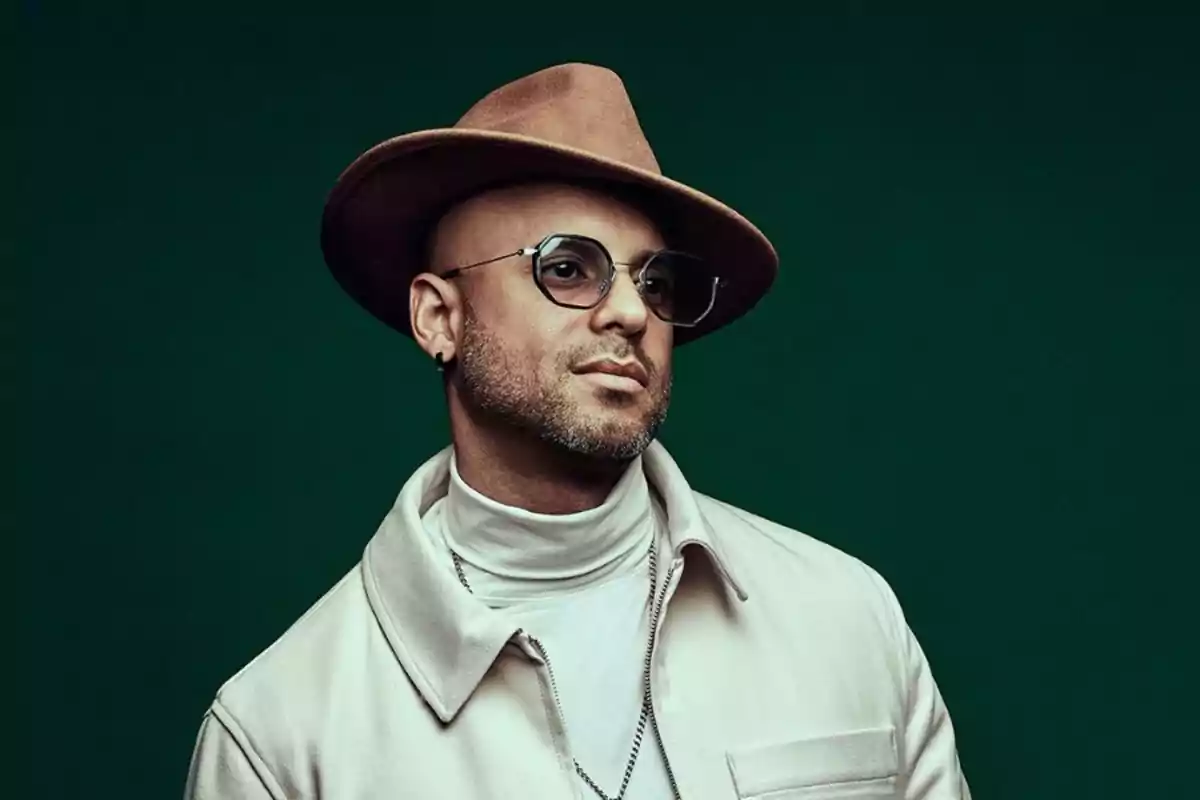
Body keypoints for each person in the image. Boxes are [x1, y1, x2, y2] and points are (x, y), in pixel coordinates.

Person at [183, 63, 972, 800]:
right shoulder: (281, 732)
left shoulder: (845, 617)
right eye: (566, 267)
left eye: (656, 281)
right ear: (438, 317)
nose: (631, 312)